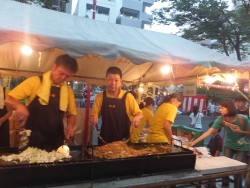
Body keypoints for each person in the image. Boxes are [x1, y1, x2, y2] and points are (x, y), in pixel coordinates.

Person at [5, 54, 78, 148]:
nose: (63, 78)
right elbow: (9, 99)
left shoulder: (68, 91)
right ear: (54, 66)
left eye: (67, 76)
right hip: (31, 137)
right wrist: (19, 106)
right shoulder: (35, 82)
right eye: (61, 73)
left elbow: (71, 114)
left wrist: (70, 126)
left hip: (55, 140)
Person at [189, 99, 250, 188]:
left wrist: (240, 131)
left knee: (238, 170)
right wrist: (194, 142)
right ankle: (225, 186)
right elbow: (208, 132)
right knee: (225, 169)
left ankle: (238, 186)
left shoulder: (242, 118)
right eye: (219, 108)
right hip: (229, 145)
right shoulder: (221, 119)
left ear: (229, 108)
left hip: (243, 147)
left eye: (222, 108)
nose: (219, 110)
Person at [90, 67, 143, 144]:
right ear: (105, 79)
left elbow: (140, 114)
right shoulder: (100, 96)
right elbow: (94, 115)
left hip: (124, 140)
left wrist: (137, 117)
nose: (113, 83)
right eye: (110, 79)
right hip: (105, 139)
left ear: (121, 81)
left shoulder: (128, 97)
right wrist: (93, 118)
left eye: (116, 80)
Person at [0, 79, 13, 147]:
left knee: (3, 148)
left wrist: (1, 120)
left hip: (3, 125)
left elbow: (10, 111)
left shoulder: (5, 91)